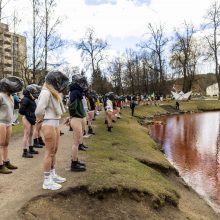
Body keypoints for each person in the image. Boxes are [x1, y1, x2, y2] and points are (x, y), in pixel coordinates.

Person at [35, 71, 69, 190]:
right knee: (49, 152)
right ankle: (46, 181)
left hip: (55, 122)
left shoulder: (52, 92)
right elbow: (39, 110)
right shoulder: (45, 92)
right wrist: (41, 119)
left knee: (54, 151)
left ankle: (52, 175)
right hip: (49, 122)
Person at [0, 76, 23, 174]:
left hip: (8, 123)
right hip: (1, 122)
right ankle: (1, 166)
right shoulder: (0, 96)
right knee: (0, 145)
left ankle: (6, 161)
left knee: (6, 144)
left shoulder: (12, 97)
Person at [68, 74, 88, 172]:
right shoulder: (75, 92)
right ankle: (74, 164)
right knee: (76, 143)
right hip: (76, 118)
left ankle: (76, 160)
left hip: (78, 117)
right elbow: (72, 106)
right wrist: (71, 116)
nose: (83, 84)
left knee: (78, 140)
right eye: (80, 82)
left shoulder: (77, 92)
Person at [19, 84, 41, 158]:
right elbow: (21, 110)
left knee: (31, 134)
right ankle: (24, 151)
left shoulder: (31, 99)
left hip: (31, 118)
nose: (35, 93)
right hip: (26, 118)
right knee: (27, 133)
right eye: (33, 91)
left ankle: (30, 148)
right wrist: (28, 115)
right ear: (29, 92)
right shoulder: (25, 99)